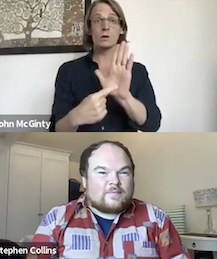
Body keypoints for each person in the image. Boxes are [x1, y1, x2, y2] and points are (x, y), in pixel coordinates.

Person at [30, 140, 190, 259]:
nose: (114, 181)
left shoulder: (157, 219)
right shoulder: (56, 219)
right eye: (102, 172)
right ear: (84, 180)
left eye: (123, 172)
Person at [50, 0, 161, 132]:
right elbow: (55, 129)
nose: (105, 26)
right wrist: (75, 117)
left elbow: (153, 124)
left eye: (112, 20)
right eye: (98, 20)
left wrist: (125, 97)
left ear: (122, 28)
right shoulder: (68, 71)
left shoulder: (137, 71)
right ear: (89, 29)